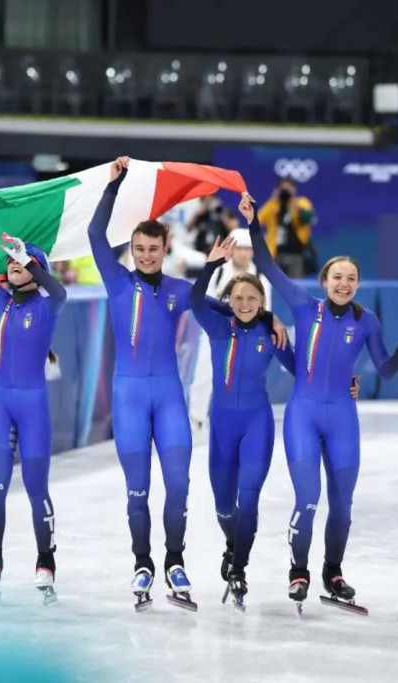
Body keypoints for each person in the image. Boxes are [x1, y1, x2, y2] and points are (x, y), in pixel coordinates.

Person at [87, 157, 286, 611]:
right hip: (130, 399)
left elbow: (237, 308)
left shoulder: (180, 290)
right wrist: (112, 187)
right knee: (138, 489)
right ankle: (143, 562)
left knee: (178, 485)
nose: (146, 256)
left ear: (166, 248)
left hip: (169, 399)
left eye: (153, 249)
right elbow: (96, 235)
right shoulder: (117, 282)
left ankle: (174, 560)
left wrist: (270, 317)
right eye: (139, 249)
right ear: (132, 250)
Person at [246, 192, 398, 611]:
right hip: (303, 416)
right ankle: (298, 571)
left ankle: (333, 572)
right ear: (324, 281)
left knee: (342, 505)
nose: (344, 284)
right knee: (308, 498)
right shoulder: (303, 305)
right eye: (337, 277)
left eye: (351, 279)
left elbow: (387, 370)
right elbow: (267, 266)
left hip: (343, 417)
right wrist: (254, 223)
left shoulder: (367, 321)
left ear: (357, 284)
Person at [0, 197, 67, 605]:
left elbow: (57, 288)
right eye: (11, 261)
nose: (13, 264)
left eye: (21, 260)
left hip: (33, 407)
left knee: (37, 489)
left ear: (36, 268)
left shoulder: (48, 306)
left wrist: (31, 260)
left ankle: (46, 561)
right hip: (0, 405)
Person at [189, 233, 295, 609]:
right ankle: (233, 544)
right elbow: (195, 299)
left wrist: (344, 383)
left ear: (262, 302)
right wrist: (211, 266)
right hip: (221, 427)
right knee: (224, 507)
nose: (245, 304)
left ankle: (238, 568)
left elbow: (303, 371)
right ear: (228, 302)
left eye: (252, 299)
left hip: (256, 425)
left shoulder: (271, 332)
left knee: (248, 499)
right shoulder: (218, 326)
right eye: (238, 299)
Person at [188, 228, 272, 430]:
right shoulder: (218, 273)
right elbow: (203, 300)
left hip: (246, 337)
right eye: (240, 248)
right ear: (232, 250)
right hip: (215, 333)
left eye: (248, 249)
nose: (244, 253)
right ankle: (196, 419)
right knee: (203, 376)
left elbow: (266, 311)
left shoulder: (261, 278)